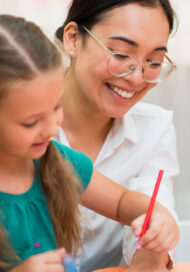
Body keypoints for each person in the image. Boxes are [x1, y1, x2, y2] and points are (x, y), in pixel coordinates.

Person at [0, 14, 178, 272]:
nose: (51, 128)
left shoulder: (55, 159)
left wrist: (158, 217)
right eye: (31, 122)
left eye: (57, 107)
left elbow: (120, 202)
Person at [54, 0, 179, 271]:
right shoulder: (27, 134)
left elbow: (139, 208)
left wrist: (154, 242)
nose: (136, 78)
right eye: (121, 54)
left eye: (154, 61)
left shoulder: (155, 128)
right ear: (73, 39)